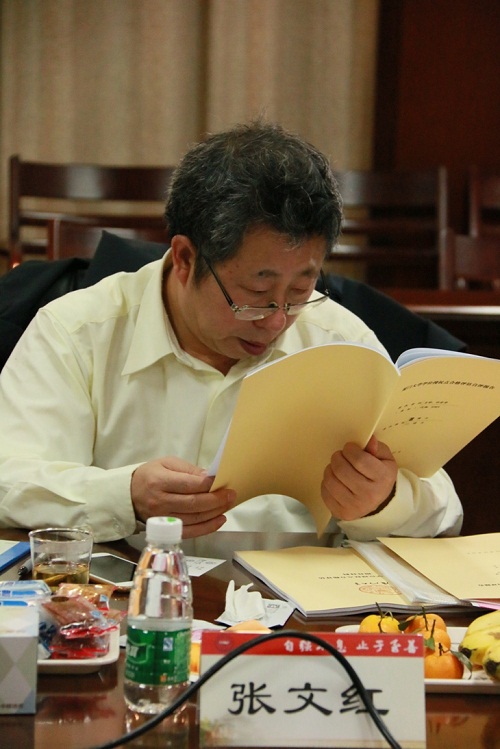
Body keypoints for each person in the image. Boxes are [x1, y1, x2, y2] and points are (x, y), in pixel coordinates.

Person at [0, 121, 462, 543]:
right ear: (185, 259)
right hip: (133, 593)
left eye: (300, 290)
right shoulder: (78, 331)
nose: (277, 321)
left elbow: (444, 506)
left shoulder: (339, 342)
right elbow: (10, 479)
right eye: (255, 294)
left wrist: (384, 500)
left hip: (294, 602)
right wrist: (126, 497)